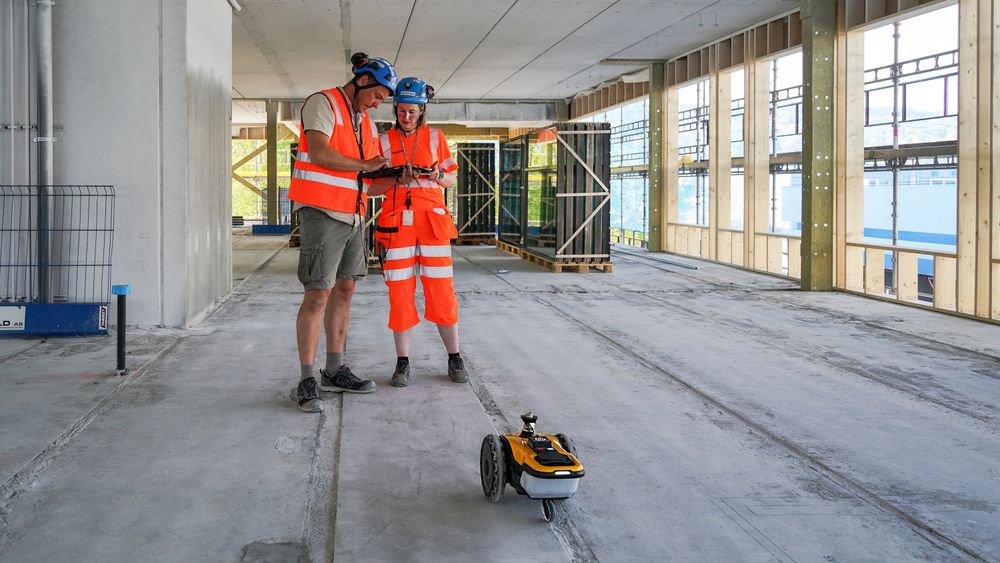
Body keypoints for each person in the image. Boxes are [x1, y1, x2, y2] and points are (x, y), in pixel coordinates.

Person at [287, 52, 398, 413]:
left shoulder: (363, 121)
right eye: (378, 95)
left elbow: (362, 178)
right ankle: (306, 379)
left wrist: (397, 179)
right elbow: (319, 154)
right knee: (318, 293)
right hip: (321, 210)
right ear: (362, 80)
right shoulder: (323, 102)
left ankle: (333, 370)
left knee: (345, 289)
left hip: (353, 214)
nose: (379, 103)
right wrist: (367, 165)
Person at [368, 77, 469, 387]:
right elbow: (371, 186)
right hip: (397, 224)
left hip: (432, 224)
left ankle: (454, 358)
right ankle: (402, 363)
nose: (406, 117)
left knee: (441, 291)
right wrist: (397, 180)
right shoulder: (383, 141)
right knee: (399, 292)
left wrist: (438, 175)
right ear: (395, 109)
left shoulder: (436, 137)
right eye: (401, 111)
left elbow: (451, 178)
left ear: (422, 110)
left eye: (412, 111)